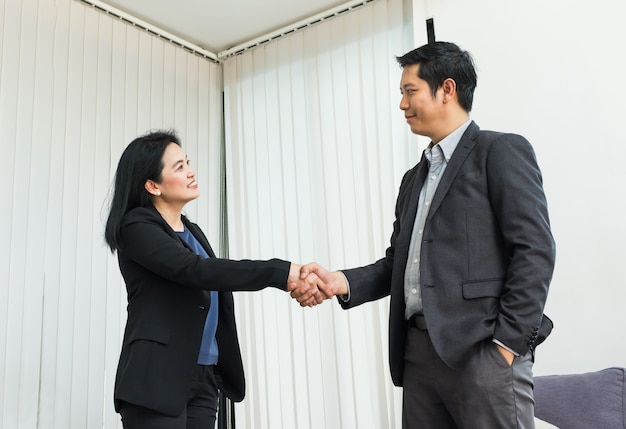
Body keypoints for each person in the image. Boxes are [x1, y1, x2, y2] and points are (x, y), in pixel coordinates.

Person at [290, 41, 556, 429]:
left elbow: (535, 250)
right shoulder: (412, 180)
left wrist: (505, 346)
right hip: (417, 356)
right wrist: (341, 281)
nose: (402, 104)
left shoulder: (499, 151)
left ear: (447, 89)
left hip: (481, 353)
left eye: (409, 91)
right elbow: (398, 262)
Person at [104, 130, 323, 429]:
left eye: (187, 162)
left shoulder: (192, 232)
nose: (191, 172)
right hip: (157, 378)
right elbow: (194, 270)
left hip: (204, 376)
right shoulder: (136, 227)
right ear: (153, 185)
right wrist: (279, 272)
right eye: (179, 167)